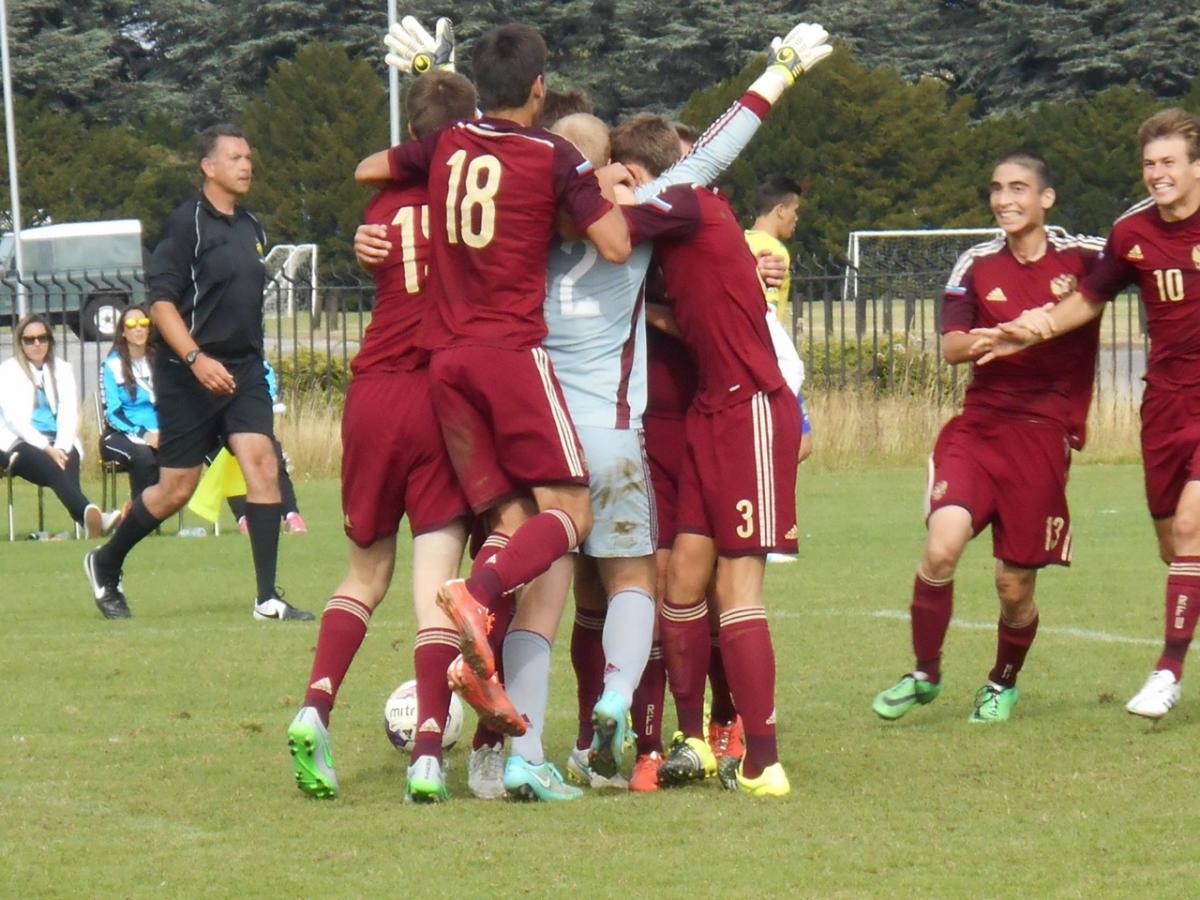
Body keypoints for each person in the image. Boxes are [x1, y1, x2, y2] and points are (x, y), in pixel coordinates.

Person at [354, 24, 633, 793]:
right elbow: (612, 244)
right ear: (539, 88)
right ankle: (473, 607)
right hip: (509, 355)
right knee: (572, 512)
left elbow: (372, 165)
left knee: (513, 530)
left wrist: (380, 227)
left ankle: (517, 754)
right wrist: (602, 198)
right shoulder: (552, 155)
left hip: (444, 365)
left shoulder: (445, 143)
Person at [602, 28, 830, 798]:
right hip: (708, 411)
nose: (611, 190)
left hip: (750, 409)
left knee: (738, 587)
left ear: (641, 173)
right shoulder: (678, 209)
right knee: (685, 580)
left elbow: (717, 145)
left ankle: (763, 756)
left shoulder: (674, 199)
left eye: (616, 177)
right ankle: (694, 739)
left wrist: (782, 71)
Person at [288, 68, 484, 803]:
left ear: (409, 135)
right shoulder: (471, 199)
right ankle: (430, 753)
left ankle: (316, 705)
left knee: (363, 573)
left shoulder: (383, 202)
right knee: (435, 589)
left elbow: (383, 235)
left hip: (372, 392)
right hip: (439, 398)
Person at [970, 109, 1200, 720]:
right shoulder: (1131, 234)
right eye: (1150, 164)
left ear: (1196, 167)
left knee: (1191, 531)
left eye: (1169, 162)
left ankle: (1167, 671)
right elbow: (1089, 298)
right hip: (1166, 403)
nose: (1157, 174)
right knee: (1172, 546)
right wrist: (1031, 327)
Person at [870, 153, 1104, 724]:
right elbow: (950, 346)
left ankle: (1002, 680)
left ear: (1046, 199)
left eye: (1019, 188)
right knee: (941, 546)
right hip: (978, 426)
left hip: (1044, 435)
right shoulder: (976, 262)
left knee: (1013, 586)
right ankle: (925, 672)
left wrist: (1045, 323)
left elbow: (1141, 262)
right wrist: (995, 335)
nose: (1005, 200)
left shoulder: (1086, 256)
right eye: (997, 189)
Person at [83, 124, 312, 623]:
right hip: (187, 371)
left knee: (261, 460)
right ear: (208, 167)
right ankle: (106, 561)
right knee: (177, 488)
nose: (246, 165)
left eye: (249, 156)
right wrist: (195, 359)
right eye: (234, 157)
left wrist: (246, 361)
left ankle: (267, 597)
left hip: (243, 369)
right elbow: (160, 304)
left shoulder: (253, 226)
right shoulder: (187, 224)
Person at [1, 314, 117, 538]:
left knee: (66, 460)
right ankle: (92, 516)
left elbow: (68, 412)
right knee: (54, 467)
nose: (37, 344)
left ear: (50, 341)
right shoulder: (7, 370)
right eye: (30, 339)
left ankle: (88, 517)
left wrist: (62, 447)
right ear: (20, 342)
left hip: (59, 440)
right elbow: (15, 421)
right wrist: (48, 448)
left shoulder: (62, 369)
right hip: (20, 441)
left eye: (42, 338)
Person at [225, 359, 306, 535]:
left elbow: (266, 396)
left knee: (272, 455)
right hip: (217, 432)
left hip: (250, 425)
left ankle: (291, 514)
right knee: (226, 459)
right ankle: (244, 517)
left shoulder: (260, 366)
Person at [99, 305, 160, 501]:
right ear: (123, 332)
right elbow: (112, 412)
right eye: (132, 324)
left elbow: (172, 402)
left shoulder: (160, 361)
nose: (138, 329)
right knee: (144, 457)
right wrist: (144, 433)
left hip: (160, 430)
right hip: (122, 433)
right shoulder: (111, 365)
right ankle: (139, 515)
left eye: (143, 323)